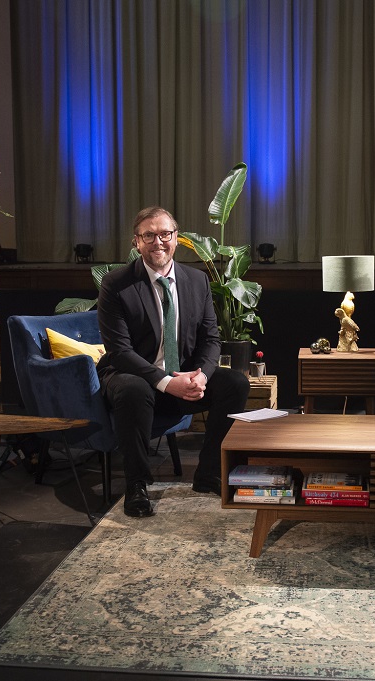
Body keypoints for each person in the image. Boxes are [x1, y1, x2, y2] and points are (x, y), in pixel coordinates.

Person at [97, 206, 250, 517]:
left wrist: (202, 377)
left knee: (235, 383)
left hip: (183, 376)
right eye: (149, 235)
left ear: (176, 238)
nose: (158, 241)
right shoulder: (116, 285)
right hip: (135, 377)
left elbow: (210, 340)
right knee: (133, 388)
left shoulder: (197, 281)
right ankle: (137, 485)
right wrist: (168, 383)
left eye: (165, 234)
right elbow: (120, 352)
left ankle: (208, 474)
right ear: (135, 242)